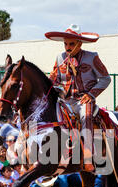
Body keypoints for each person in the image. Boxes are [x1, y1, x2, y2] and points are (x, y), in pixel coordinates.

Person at [46, 24, 111, 172]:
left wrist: (91, 94)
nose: (67, 47)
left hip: (84, 100)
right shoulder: (60, 58)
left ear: (79, 44)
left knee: (85, 116)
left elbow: (106, 79)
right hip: (65, 100)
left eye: (71, 44)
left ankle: (88, 157)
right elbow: (54, 79)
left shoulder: (92, 57)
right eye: (65, 44)